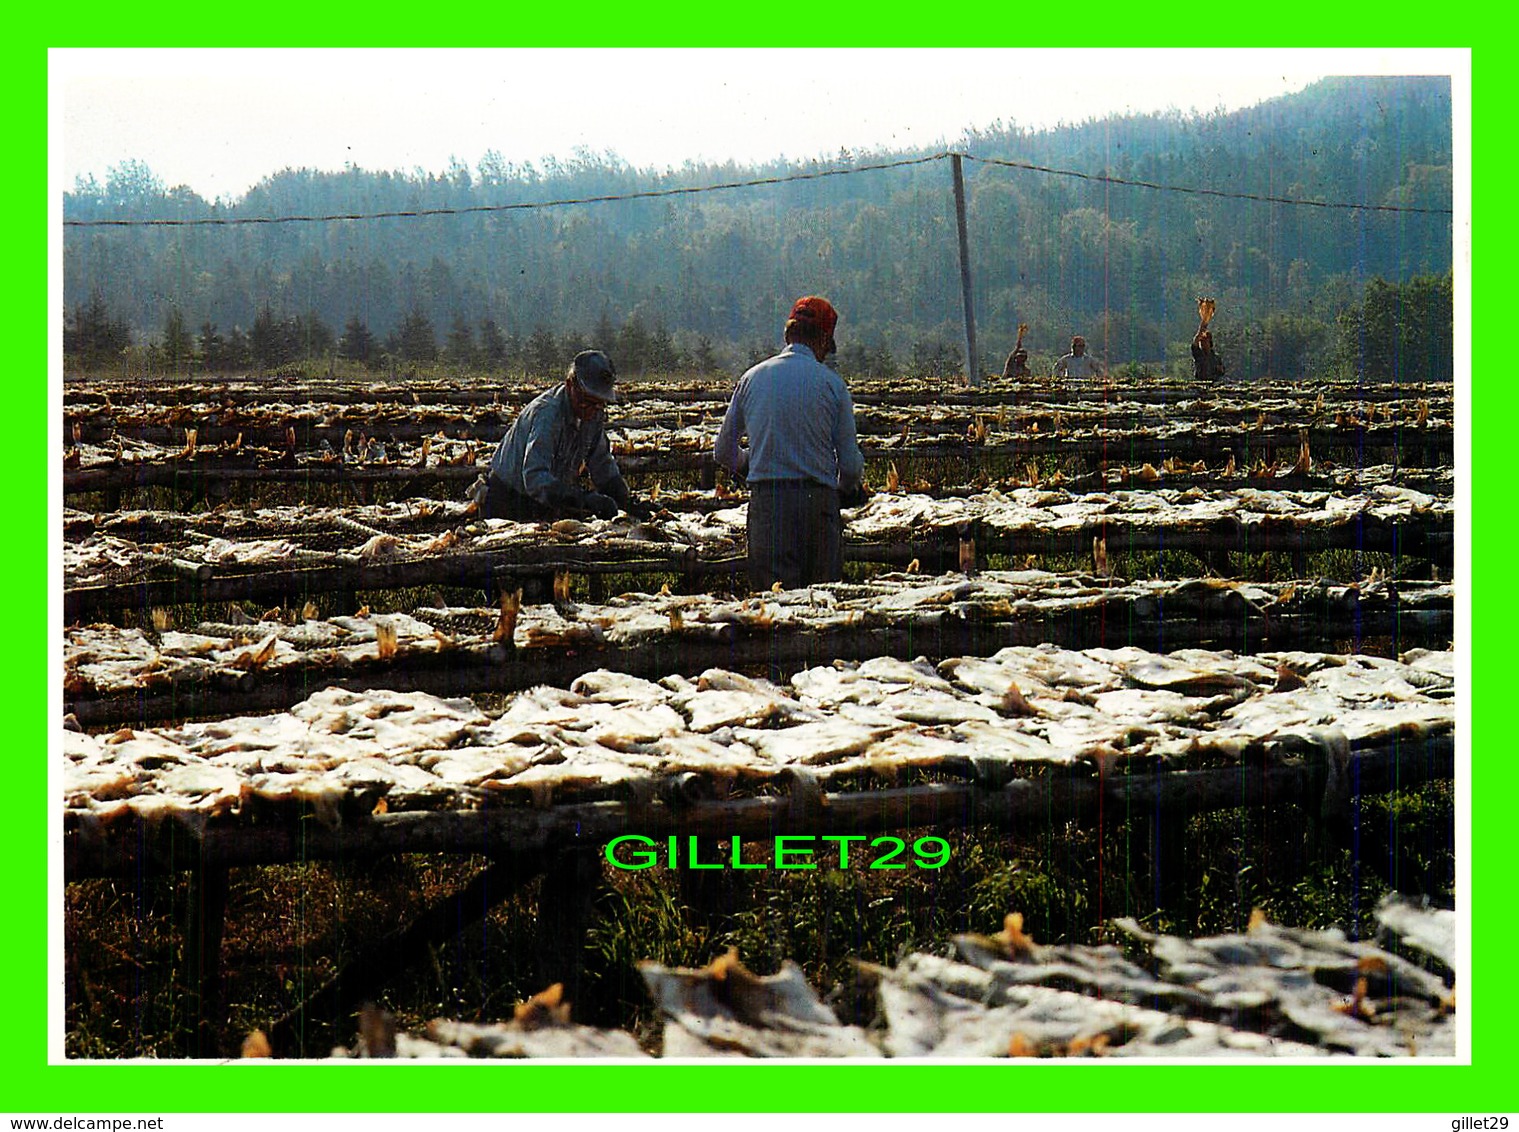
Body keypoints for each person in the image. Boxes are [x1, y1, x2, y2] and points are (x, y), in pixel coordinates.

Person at [714, 295, 865, 591]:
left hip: (769, 504)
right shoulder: (833, 385)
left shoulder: (752, 378)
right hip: (817, 507)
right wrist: (847, 489)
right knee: (821, 606)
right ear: (823, 341)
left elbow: (723, 451)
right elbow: (849, 465)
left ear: (787, 334)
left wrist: (751, 463)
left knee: (773, 607)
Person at [479, 349, 647, 521]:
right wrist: (583, 499)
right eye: (587, 402)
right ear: (569, 385)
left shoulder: (593, 414)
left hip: (545, 499)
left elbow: (601, 463)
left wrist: (625, 500)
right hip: (508, 499)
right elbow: (535, 478)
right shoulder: (547, 414)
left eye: (599, 403)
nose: (592, 409)